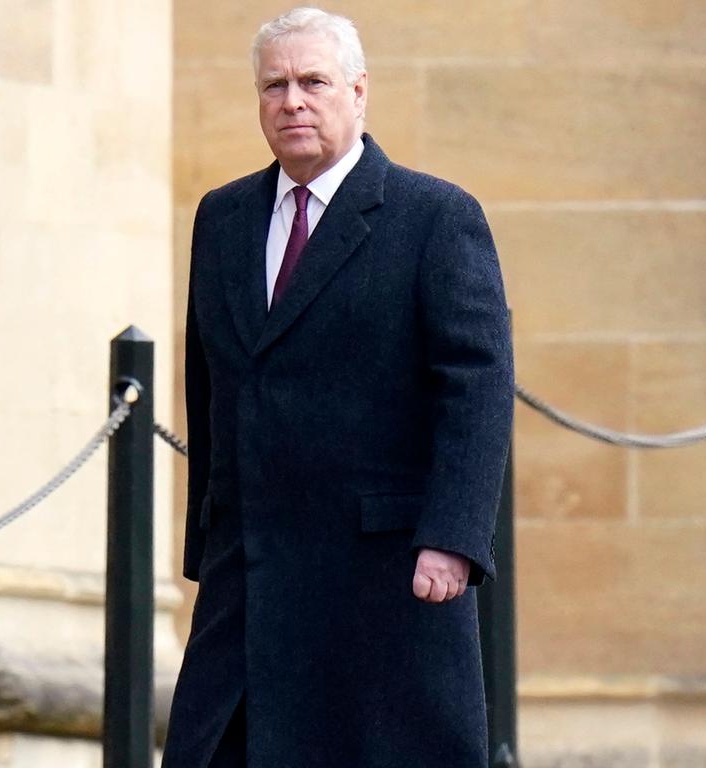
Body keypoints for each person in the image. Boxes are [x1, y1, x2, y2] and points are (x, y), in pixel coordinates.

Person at [162, 7, 514, 768]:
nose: (292, 101)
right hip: (250, 577)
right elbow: (212, 379)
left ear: (358, 92)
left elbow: (476, 385)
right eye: (274, 86)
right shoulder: (222, 218)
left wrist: (453, 538)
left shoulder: (435, 217)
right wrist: (210, 536)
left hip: (385, 578)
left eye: (313, 82)